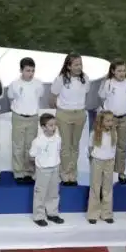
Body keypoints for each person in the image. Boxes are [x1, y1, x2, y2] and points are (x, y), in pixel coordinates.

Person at [50, 53, 90, 186]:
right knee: (65, 145)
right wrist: (62, 109)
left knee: (75, 145)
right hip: (64, 114)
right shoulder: (61, 79)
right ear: (68, 66)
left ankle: (73, 174)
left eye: (80, 64)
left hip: (79, 114)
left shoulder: (85, 78)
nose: (79, 67)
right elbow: (53, 97)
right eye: (76, 64)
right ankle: (65, 174)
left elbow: (85, 93)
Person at [8, 57, 44, 184]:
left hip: (33, 117)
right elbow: (11, 97)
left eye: (32, 71)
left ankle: (29, 171)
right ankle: (18, 172)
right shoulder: (15, 84)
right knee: (18, 145)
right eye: (28, 70)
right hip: (18, 116)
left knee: (30, 145)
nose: (30, 73)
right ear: (21, 70)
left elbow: (39, 96)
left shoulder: (38, 84)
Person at [98, 58, 126, 185]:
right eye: (119, 71)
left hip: (124, 117)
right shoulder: (108, 83)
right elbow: (102, 98)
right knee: (107, 144)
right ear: (113, 71)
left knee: (122, 146)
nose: (122, 73)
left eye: (124, 71)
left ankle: (121, 172)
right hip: (110, 119)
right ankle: (105, 170)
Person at [29, 113, 64, 226]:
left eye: (54, 125)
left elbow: (58, 151)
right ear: (43, 127)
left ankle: (52, 213)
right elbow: (32, 155)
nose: (53, 127)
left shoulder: (58, 138)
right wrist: (40, 163)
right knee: (40, 193)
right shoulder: (38, 141)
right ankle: (38, 216)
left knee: (53, 192)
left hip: (55, 167)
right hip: (43, 169)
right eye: (50, 125)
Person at [87, 111, 117, 224]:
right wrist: (92, 159)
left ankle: (106, 213)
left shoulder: (114, 133)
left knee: (107, 188)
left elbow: (114, 148)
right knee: (95, 187)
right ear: (101, 121)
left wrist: (111, 159)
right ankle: (93, 214)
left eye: (111, 120)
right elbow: (90, 148)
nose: (110, 123)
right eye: (108, 120)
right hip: (97, 161)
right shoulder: (94, 133)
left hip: (109, 161)